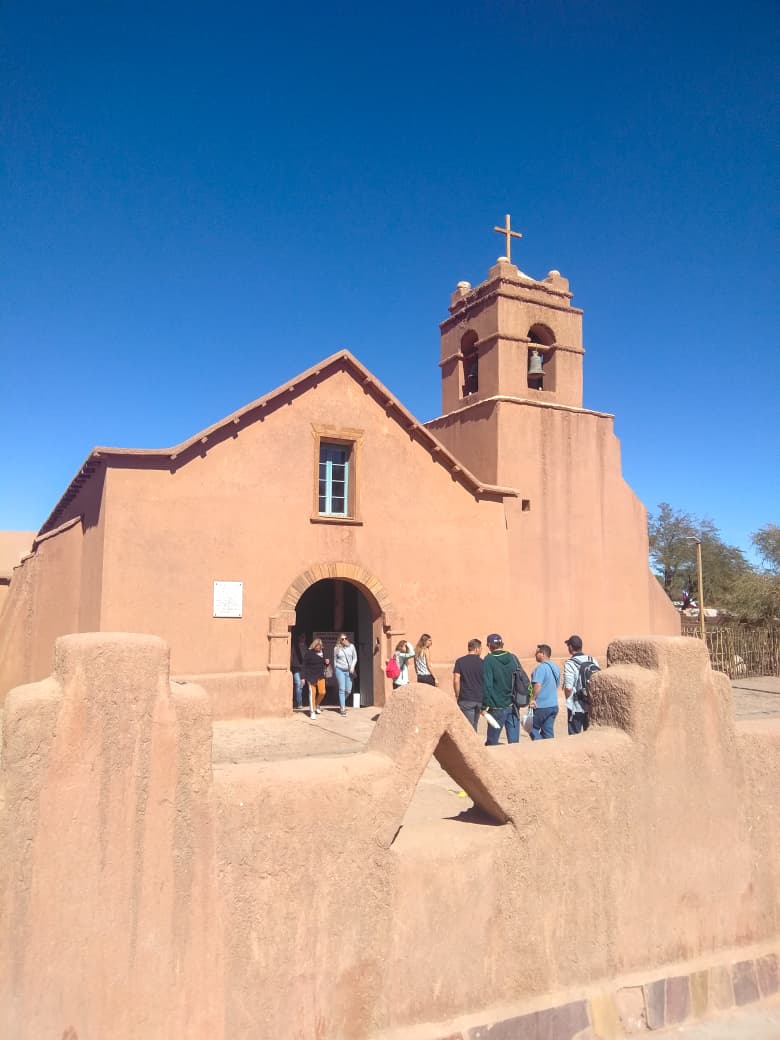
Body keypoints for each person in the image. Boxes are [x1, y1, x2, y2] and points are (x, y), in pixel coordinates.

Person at [481, 633, 520, 745]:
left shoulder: (489, 660)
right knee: (514, 743)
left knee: (492, 743)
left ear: (489, 645)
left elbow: (487, 685)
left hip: (496, 707)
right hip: (513, 706)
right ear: (502, 644)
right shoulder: (512, 657)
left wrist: (484, 706)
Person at [563, 634, 599, 734]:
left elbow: (568, 687)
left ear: (570, 647)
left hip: (576, 706)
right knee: (589, 734)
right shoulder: (592, 660)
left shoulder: (570, 663)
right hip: (591, 704)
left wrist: (568, 700)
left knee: (574, 736)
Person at [530, 643, 560, 739]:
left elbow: (537, 685)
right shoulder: (555, 667)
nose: (535, 654)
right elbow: (557, 684)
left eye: (537, 653)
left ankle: (540, 748)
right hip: (553, 705)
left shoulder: (541, 668)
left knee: (531, 728)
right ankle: (549, 750)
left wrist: (532, 699)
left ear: (542, 654)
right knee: (548, 732)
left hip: (541, 706)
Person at [453, 638, 484, 731]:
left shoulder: (460, 661)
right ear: (477, 649)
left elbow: (456, 680)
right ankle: (474, 743)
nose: (481, 651)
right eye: (481, 648)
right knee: (474, 724)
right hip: (479, 698)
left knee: (467, 727)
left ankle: (471, 744)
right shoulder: (482, 662)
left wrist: (457, 694)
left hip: (465, 698)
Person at [302, 638, 329, 719]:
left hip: (320, 675)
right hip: (311, 676)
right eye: (317, 645)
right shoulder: (309, 653)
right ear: (314, 645)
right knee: (312, 693)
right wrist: (302, 677)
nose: (319, 647)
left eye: (320, 646)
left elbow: (324, 663)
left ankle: (317, 704)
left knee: (322, 692)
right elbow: (304, 665)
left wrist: (326, 662)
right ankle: (312, 711)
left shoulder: (323, 652)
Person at [333, 633, 357, 717]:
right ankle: (342, 707)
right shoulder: (336, 648)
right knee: (342, 689)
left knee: (348, 690)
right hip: (340, 670)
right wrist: (335, 668)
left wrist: (352, 667)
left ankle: (341, 701)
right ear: (339, 640)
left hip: (349, 671)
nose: (344, 640)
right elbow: (335, 659)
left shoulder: (351, 647)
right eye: (342, 639)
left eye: (345, 638)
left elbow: (355, 657)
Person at [290, 632, 307, 709]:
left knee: (301, 685)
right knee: (298, 684)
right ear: (299, 638)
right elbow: (291, 656)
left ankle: (298, 701)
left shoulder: (306, 647)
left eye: (304, 637)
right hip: (296, 667)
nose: (303, 638)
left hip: (303, 668)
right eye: (301, 637)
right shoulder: (295, 646)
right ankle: (299, 703)